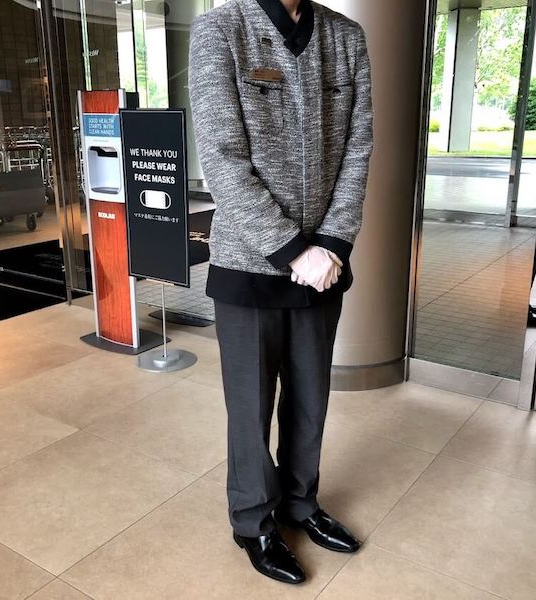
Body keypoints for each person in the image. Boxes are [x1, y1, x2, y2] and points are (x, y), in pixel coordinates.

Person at [188, 0, 373, 584]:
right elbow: (222, 159)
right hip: (249, 263)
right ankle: (253, 520)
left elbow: (358, 149)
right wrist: (292, 249)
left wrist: (333, 244)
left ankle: (300, 503)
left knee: (311, 398)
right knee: (250, 407)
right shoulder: (221, 29)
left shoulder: (346, 36)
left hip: (324, 266)